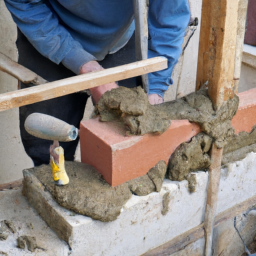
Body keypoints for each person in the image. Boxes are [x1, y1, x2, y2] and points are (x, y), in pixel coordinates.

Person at [4, 0, 191, 166]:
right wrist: (87, 68)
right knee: (47, 149)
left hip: (119, 38)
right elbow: (24, 3)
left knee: (128, 137)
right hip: (48, 29)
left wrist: (155, 87)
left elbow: (170, 17)